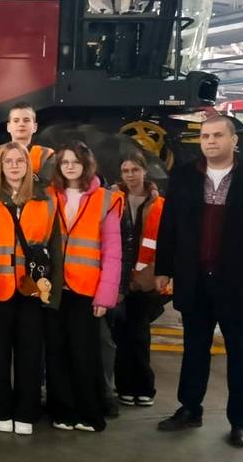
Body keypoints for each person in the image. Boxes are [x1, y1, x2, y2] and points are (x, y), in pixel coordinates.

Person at [154, 115, 243, 449]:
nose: (210, 142)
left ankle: (241, 421)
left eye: (217, 135)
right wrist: (163, 268)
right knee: (194, 349)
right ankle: (189, 409)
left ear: (233, 140)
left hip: (238, 282)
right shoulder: (184, 176)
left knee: (240, 353)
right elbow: (169, 226)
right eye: (205, 136)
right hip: (194, 279)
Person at [0, 142, 63, 436]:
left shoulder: (46, 200)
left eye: (19, 161)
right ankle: (0, 408)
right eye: (8, 161)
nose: (14, 166)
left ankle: (26, 410)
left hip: (32, 291)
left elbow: (54, 248)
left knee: (30, 353)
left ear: (28, 166)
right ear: (0, 167)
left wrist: (53, 293)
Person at [46, 141, 122, 433]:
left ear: (86, 164)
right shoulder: (49, 196)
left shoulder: (106, 200)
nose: (70, 166)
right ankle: (62, 411)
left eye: (75, 161)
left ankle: (89, 413)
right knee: (56, 352)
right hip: (53, 289)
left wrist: (105, 295)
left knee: (84, 353)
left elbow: (112, 253)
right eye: (65, 162)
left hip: (86, 291)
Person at [112, 151, 165, 409]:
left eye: (135, 170)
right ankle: (124, 387)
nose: (130, 175)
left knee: (139, 335)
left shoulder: (159, 204)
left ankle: (144, 387)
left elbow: (165, 243)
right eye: (126, 171)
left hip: (145, 280)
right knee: (121, 336)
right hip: (118, 278)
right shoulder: (113, 199)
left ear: (145, 171)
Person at [0, 102, 55, 187]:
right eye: (16, 121)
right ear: (8, 127)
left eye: (26, 120)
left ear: (35, 127)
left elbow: (43, 185)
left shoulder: (47, 154)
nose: (21, 124)